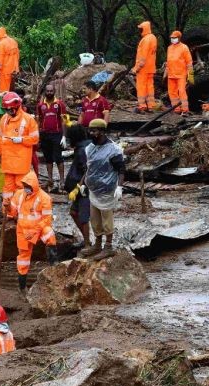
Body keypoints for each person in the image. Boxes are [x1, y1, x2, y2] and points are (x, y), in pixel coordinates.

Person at [79, 119, 125, 260]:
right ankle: (97, 244)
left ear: (102, 131)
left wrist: (119, 187)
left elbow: (121, 170)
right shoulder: (90, 148)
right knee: (95, 219)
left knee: (107, 220)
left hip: (107, 190)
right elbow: (88, 168)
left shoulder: (113, 150)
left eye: (94, 131)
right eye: (90, 130)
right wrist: (82, 183)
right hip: (93, 190)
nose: (91, 133)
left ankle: (109, 247)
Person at [6, 171, 56, 291]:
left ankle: (54, 267)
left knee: (49, 234)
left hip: (38, 229)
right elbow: (11, 213)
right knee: (23, 259)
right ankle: (22, 286)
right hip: (22, 231)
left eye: (28, 187)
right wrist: (7, 206)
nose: (26, 189)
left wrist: (34, 231)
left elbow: (47, 220)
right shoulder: (19, 194)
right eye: (25, 186)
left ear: (34, 186)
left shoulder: (44, 198)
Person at [0, 92, 39, 207]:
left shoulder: (29, 120)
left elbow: (35, 139)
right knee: (8, 189)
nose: (9, 112)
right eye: (7, 110)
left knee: (21, 187)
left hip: (21, 163)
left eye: (11, 109)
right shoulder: (4, 119)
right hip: (8, 162)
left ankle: (20, 211)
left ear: (17, 107)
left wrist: (22, 140)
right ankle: (8, 212)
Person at [36, 84, 68, 192]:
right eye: (47, 91)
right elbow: (39, 120)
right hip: (45, 134)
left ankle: (62, 180)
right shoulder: (40, 105)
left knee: (58, 158)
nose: (49, 93)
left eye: (51, 91)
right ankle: (50, 179)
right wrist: (38, 134)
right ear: (45, 91)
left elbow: (64, 120)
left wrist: (64, 136)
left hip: (57, 134)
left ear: (54, 91)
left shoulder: (59, 104)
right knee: (48, 158)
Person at [65, 124, 92, 249]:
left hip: (84, 189)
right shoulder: (82, 147)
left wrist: (79, 187)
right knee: (74, 212)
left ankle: (87, 244)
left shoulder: (83, 150)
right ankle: (87, 240)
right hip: (78, 188)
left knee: (84, 216)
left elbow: (88, 171)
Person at [164, 31, 193, 115]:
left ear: (179, 38)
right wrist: (165, 74)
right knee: (172, 92)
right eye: (172, 38)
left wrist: (191, 77)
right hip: (171, 74)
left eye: (174, 38)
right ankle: (176, 109)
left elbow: (189, 63)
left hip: (181, 74)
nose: (173, 39)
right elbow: (168, 62)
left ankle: (185, 110)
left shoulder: (184, 47)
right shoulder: (169, 48)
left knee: (182, 92)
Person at [131, 21, 158, 113]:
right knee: (149, 87)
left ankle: (142, 106)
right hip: (151, 68)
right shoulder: (153, 38)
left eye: (140, 28)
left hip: (143, 69)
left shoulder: (145, 40)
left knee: (141, 87)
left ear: (144, 28)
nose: (139, 30)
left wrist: (136, 68)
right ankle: (150, 106)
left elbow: (142, 57)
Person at [0, 27, 20, 93]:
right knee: (12, 88)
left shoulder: (1, 44)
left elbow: (0, 59)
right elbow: (18, 55)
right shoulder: (13, 41)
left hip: (5, 71)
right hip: (14, 70)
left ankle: (5, 102)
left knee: (4, 90)